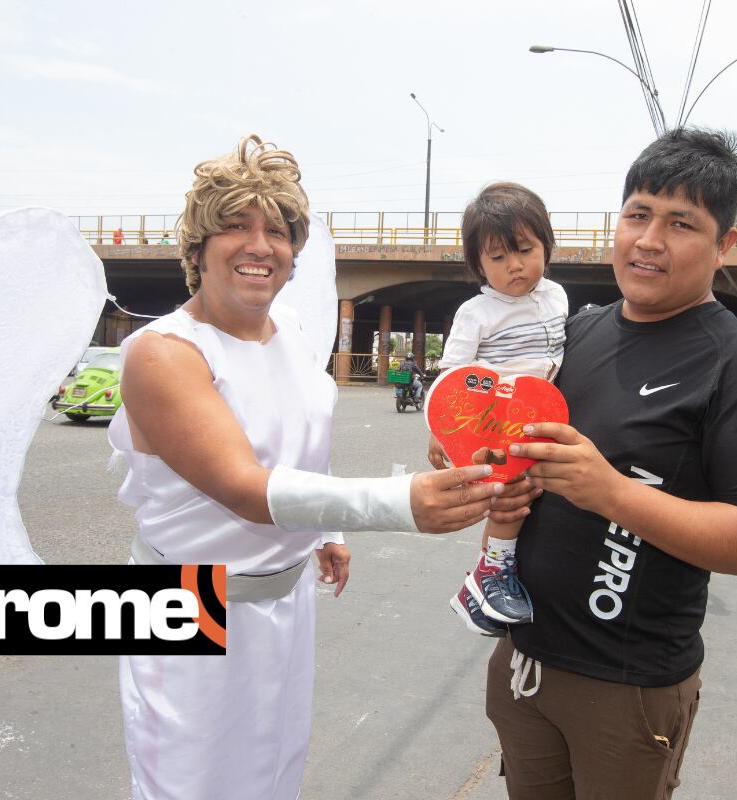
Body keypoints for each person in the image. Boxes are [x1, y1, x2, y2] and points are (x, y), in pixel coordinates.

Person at [109, 135, 529, 800]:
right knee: (187, 785)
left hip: (282, 601)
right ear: (196, 250)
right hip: (189, 606)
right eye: (235, 226)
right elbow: (246, 487)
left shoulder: (294, 334)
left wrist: (323, 534)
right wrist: (397, 503)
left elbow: (301, 434)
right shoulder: (162, 354)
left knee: (274, 774)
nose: (260, 245)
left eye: (277, 230)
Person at [475, 129, 737, 799]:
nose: (650, 239)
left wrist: (611, 493)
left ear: (724, 244)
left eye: (682, 223)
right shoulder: (578, 333)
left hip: (626, 689)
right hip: (524, 663)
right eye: (638, 214)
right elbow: (525, 451)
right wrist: (496, 468)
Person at [430, 182, 568, 636]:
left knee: (536, 497)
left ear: (546, 244)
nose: (515, 266)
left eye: (526, 250)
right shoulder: (477, 313)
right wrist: (443, 430)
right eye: (498, 258)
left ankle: (493, 580)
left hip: (540, 418)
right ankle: (491, 572)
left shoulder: (557, 297)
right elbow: (453, 374)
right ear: (478, 264)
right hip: (494, 423)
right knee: (508, 501)